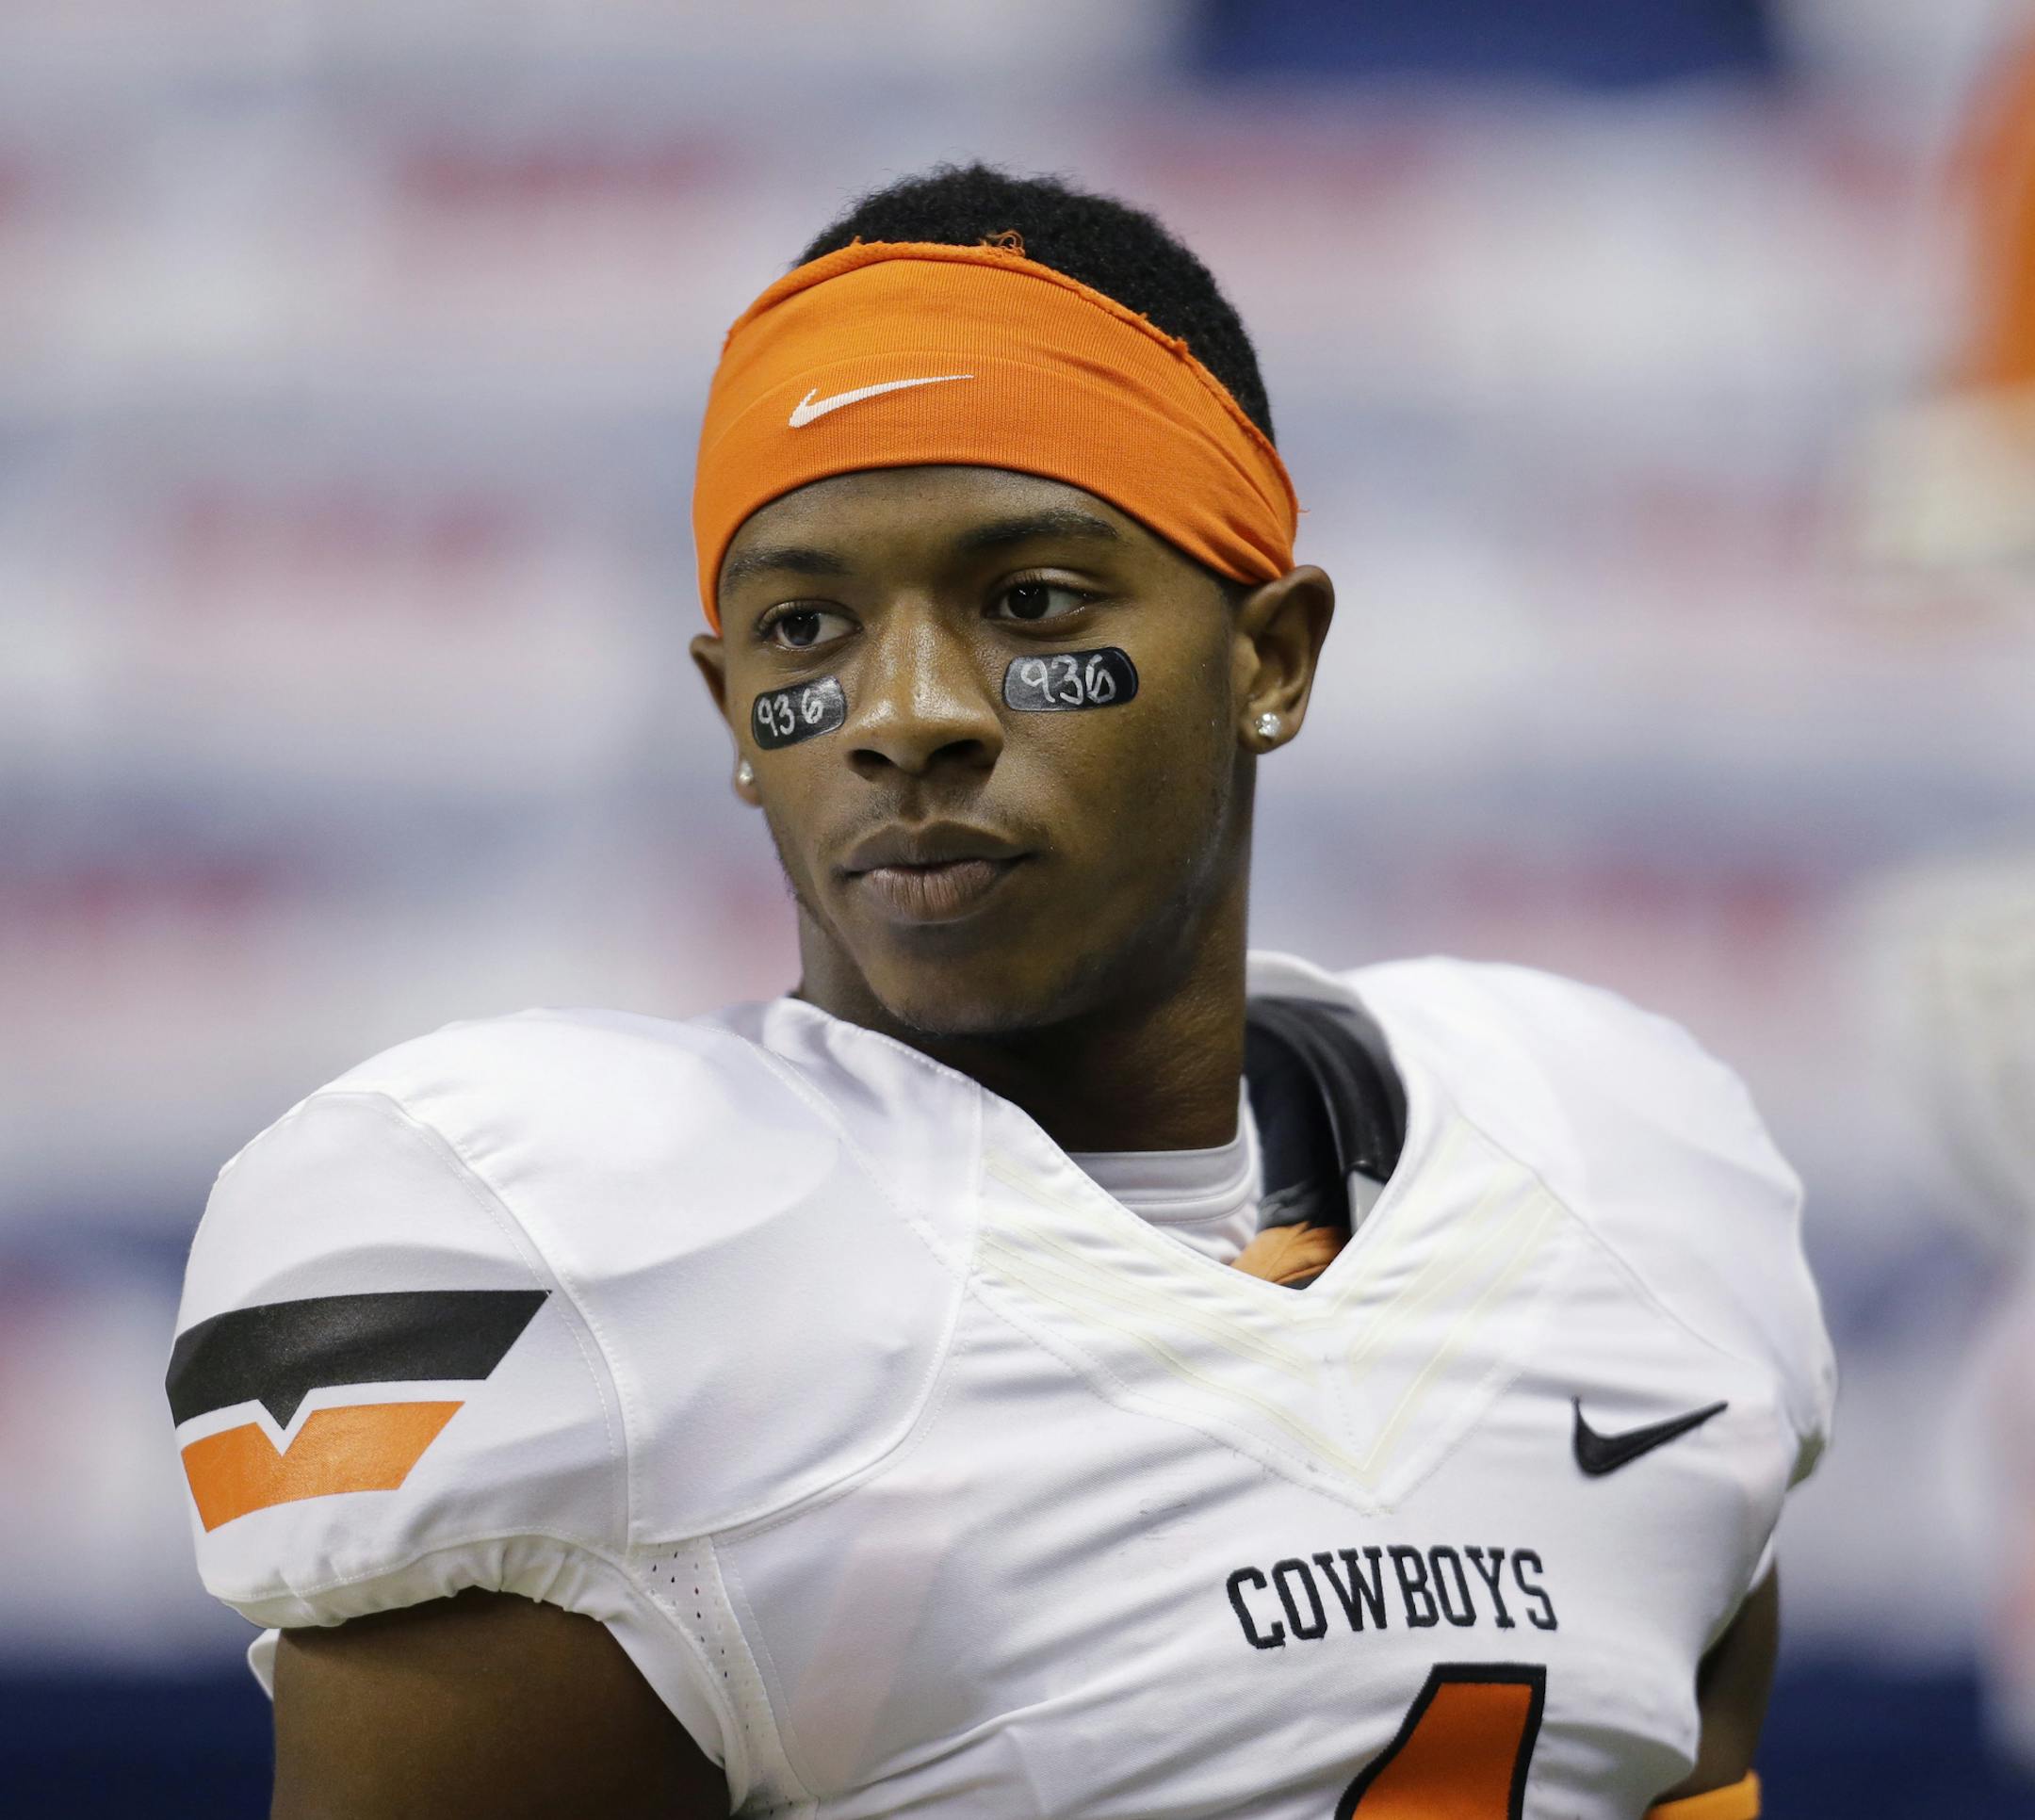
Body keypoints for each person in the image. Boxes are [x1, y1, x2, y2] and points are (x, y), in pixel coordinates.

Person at [166, 164, 1834, 1818]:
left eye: (1029, 600)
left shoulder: (1617, 1163)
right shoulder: (595, 1262)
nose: (906, 713)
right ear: (730, 710)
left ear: (1272, 659)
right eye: (806, 628)